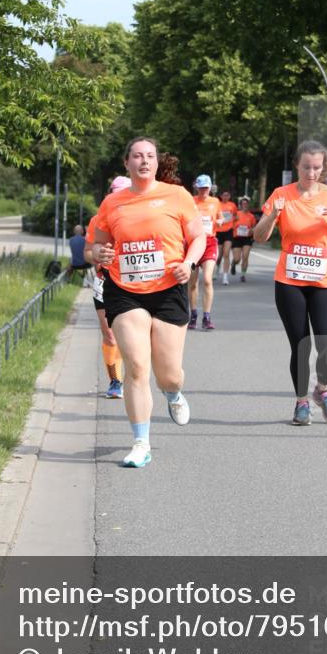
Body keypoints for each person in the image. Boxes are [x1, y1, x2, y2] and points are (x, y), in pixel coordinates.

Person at [92, 137, 205, 468]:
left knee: (168, 374)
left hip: (169, 287)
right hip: (124, 290)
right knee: (137, 366)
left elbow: (198, 237)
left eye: (150, 156)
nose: (144, 161)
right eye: (137, 156)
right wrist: (98, 253)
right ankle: (141, 442)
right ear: (126, 163)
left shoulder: (177, 195)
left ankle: (173, 394)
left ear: (157, 162)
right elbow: (97, 247)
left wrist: (189, 263)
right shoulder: (112, 203)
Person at [254, 141, 327, 426]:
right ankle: (301, 403)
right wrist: (273, 214)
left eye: (317, 167)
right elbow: (259, 236)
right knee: (301, 346)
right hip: (289, 281)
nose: (311, 172)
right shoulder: (281, 195)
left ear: (324, 168)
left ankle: (322, 390)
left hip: (323, 280)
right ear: (297, 165)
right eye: (306, 166)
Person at [84, 176, 132, 399]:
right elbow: (87, 252)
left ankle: (134, 373)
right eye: (115, 193)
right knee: (110, 335)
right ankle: (115, 381)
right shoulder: (97, 220)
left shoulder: (138, 218)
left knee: (130, 334)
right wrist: (97, 255)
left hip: (133, 283)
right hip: (104, 282)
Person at [188, 175, 221, 330]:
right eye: (201, 188)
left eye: (206, 188)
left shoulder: (215, 202)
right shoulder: (190, 201)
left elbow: (220, 218)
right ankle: (193, 314)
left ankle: (206, 316)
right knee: (193, 282)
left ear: (210, 188)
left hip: (210, 242)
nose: (204, 191)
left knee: (207, 279)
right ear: (197, 187)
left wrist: (220, 221)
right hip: (194, 242)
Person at [231, 196, 256, 281]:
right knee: (237, 259)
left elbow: (253, 227)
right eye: (243, 204)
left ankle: (243, 274)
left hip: (247, 238)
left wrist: (252, 231)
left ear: (248, 205)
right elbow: (229, 223)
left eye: (246, 204)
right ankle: (234, 264)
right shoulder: (236, 214)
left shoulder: (251, 216)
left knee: (245, 256)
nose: (245, 205)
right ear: (240, 205)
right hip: (237, 238)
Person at [215, 190, 237, 285]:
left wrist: (232, 222)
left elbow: (235, 216)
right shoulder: (217, 204)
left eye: (227, 195)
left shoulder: (232, 205)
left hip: (228, 231)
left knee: (226, 253)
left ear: (229, 196)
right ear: (221, 196)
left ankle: (225, 276)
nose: (226, 196)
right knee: (219, 255)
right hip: (218, 231)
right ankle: (217, 267)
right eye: (224, 195)